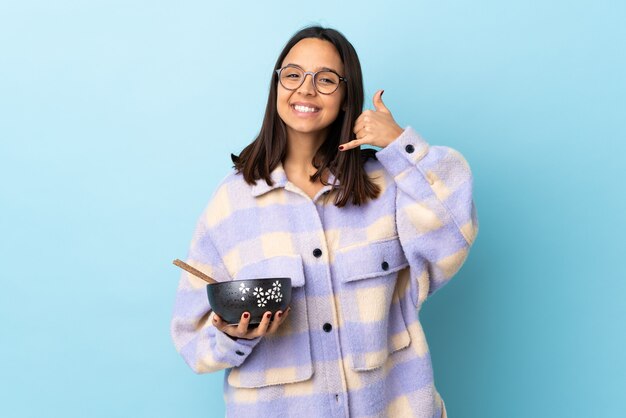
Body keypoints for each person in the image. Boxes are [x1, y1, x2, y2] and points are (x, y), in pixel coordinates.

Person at [170, 25, 478, 418]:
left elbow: (454, 229)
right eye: (293, 74)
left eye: (326, 79)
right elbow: (191, 333)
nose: (306, 89)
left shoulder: (389, 185)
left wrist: (401, 144)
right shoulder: (232, 203)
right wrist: (232, 337)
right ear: (276, 85)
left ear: (348, 94)